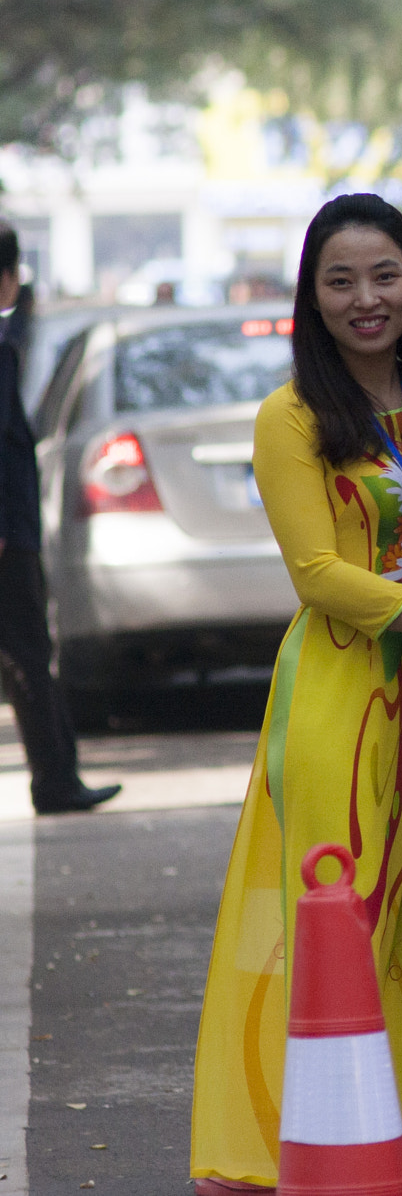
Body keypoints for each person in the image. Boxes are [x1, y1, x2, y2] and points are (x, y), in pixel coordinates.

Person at [191, 194, 402, 1194]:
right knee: (338, 931)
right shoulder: (291, 417)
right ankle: (319, 1159)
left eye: (385, 275)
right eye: (340, 280)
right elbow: (316, 572)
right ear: (310, 298)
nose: (367, 299)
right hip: (341, 700)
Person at [0, 223, 118, 815]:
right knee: (26, 656)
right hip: (6, 532)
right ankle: (54, 780)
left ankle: (57, 777)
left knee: (27, 656)